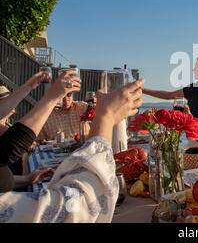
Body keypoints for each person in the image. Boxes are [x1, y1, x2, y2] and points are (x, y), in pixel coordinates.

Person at [0, 78, 144, 222]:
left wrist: (25, 179)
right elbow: (75, 207)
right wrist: (106, 117)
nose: (13, 109)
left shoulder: (79, 107)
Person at [142, 55, 198, 132]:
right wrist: (143, 90)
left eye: (196, 67)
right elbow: (169, 95)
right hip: (194, 140)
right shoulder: (193, 89)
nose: (193, 70)